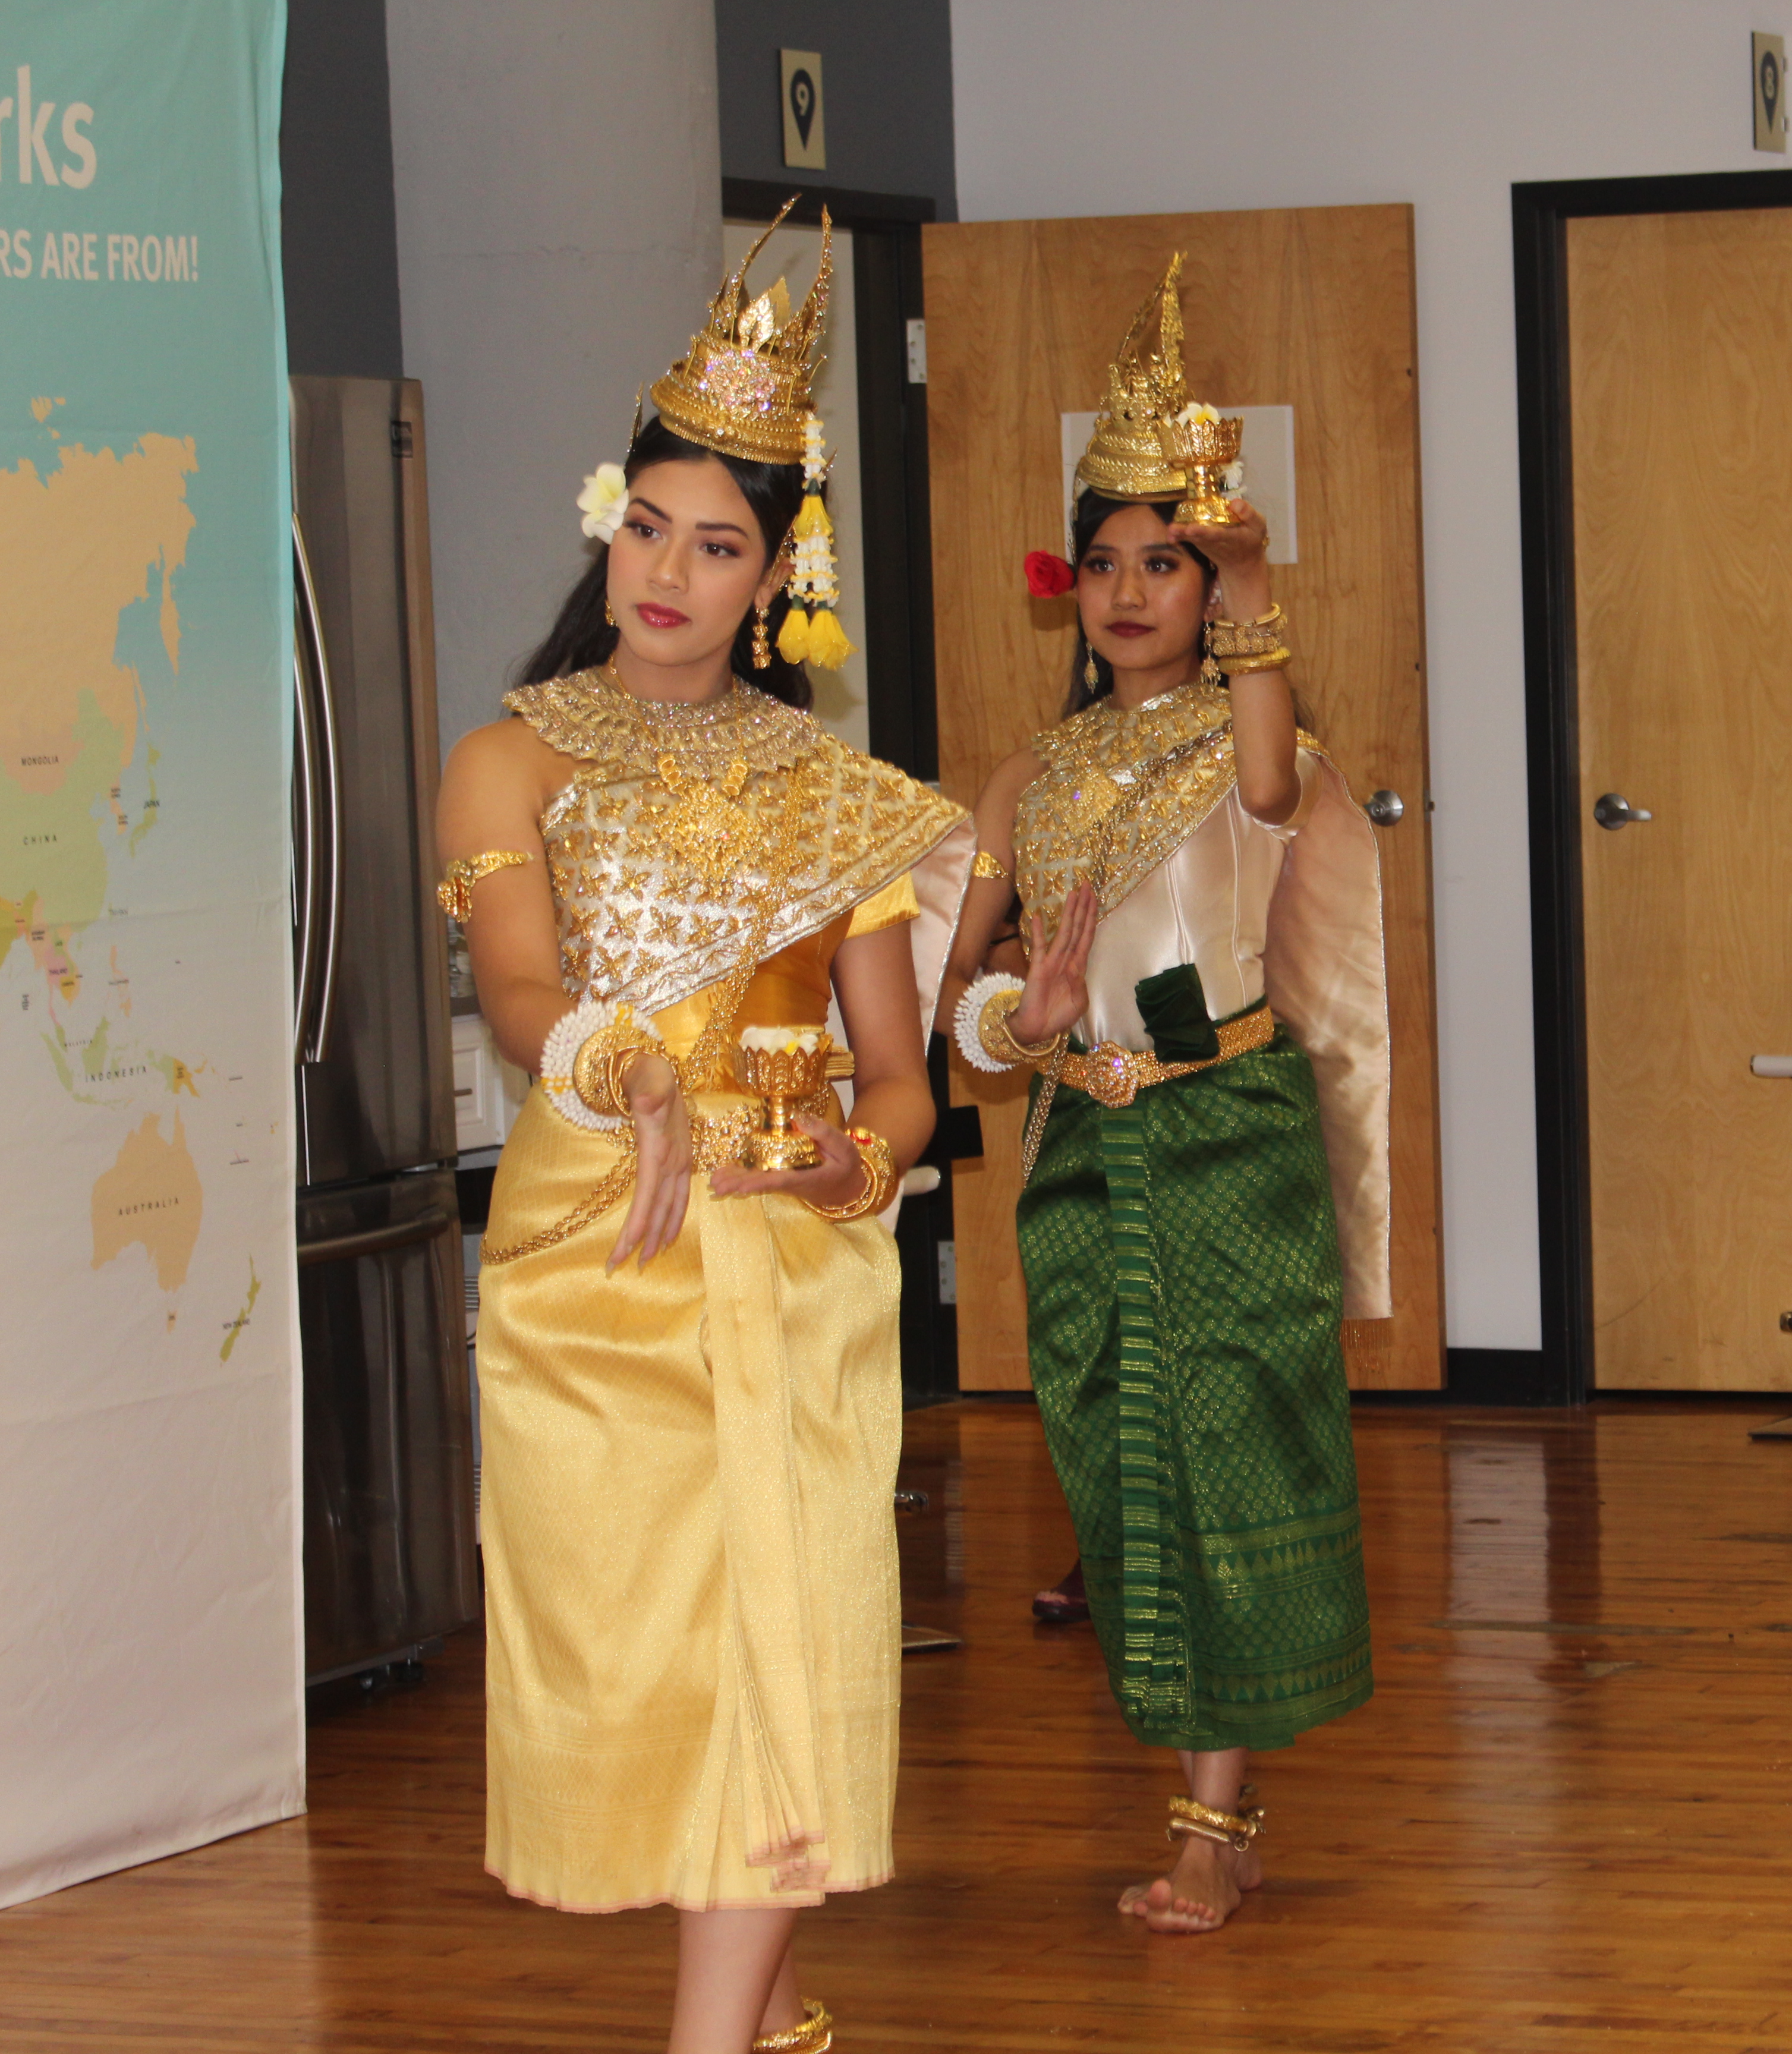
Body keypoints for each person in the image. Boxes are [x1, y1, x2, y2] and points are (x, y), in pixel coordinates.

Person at [435, 207, 973, 2054]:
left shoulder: (846, 800)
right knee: (649, 1677)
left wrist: (862, 1160)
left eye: (717, 543)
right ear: (612, 525)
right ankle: (774, 2016)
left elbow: (900, 1079)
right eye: (647, 524)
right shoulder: (515, 758)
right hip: (600, 1264)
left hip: (795, 1270)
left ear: (777, 577)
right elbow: (517, 994)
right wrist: (619, 1062)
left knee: (787, 1648)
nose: (668, 568)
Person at [943, 256, 1389, 1938]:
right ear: (1072, 588)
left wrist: (1263, 591)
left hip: (1226, 1142)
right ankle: (1217, 1813)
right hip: (1080, 1153)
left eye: (1172, 564)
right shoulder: (1025, 777)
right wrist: (1027, 1020)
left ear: (1213, 589)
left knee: (1233, 1466)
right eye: (1110, 564)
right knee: (1124, 1476)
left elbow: (1272, 776)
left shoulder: (1240, 744)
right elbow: (964, 1010)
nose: (1135, 593)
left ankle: (1218, 1824)